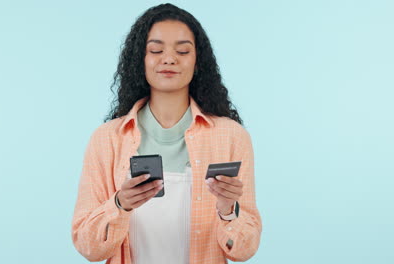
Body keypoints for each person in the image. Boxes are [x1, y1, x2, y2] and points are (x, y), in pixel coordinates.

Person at [71, 3, 261, 264]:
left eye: (182, 51)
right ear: (141, 60)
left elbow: (243, 250)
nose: (169, 59)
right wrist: (119, 204)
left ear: (198, 63)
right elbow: (87, 246)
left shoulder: (231, 137)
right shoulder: (107, 139)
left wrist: (228, 211)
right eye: (156, 50)